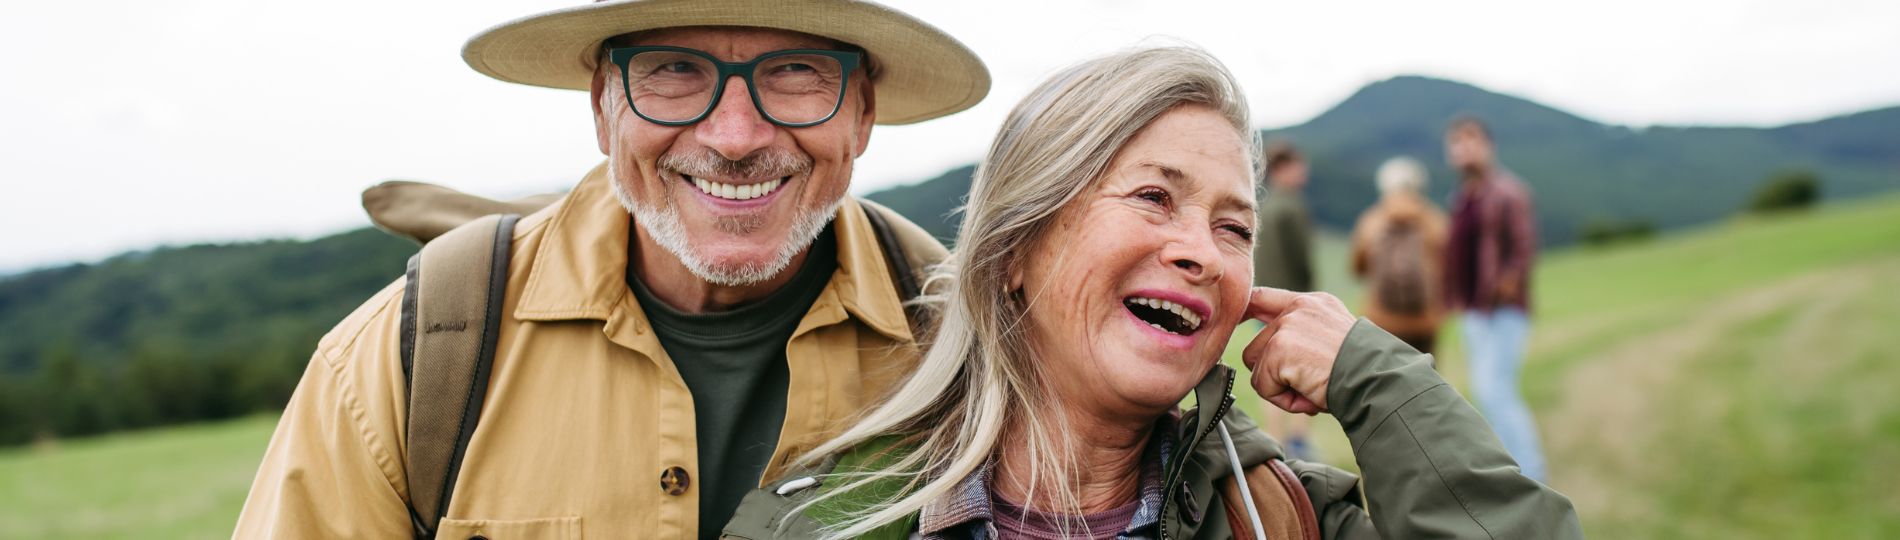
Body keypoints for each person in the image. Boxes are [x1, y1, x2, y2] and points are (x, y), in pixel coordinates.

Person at [722, 46, 1581, 540]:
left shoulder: (1279, 519)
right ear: (1016, 243)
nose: (1202, 252)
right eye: (1152, 197)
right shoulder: (815, 524)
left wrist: (1376, 380)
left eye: (1234, 227)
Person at [233, 1, 990, 538]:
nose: (734, 136)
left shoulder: (976, 354)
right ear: (603, 107)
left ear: (862, 112)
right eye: (673, 70)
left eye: (795, 71)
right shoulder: (408, 358)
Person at [1443, 115, 1547, 482]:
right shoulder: (1461, 198)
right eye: (1457, 142)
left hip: (1502, 310)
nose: (1464, 148)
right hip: (1474, 309)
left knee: (1496, 389)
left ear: (1489, 146)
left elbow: (1524, 245)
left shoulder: (1509, 191)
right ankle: (1509, 469)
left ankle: (1531, 475)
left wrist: (1508, 281)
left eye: (1472, 140)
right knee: (1487, 393)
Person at [1251, 139, 1317, 460]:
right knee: (1301, 373)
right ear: (1283, 169)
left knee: (1269, 372)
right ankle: (1299, 441)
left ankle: (1273, 440)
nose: (1304, 172)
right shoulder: (1292, 207)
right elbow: (1303, 261)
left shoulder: (1261, 207)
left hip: (1264, 301)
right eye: (1298, 165)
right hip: (1292, 301)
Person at [1350, 156, 1449, 354]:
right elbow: (1450, 266)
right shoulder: (1434, 220)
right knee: (1426, 380)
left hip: (1381, 319)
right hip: (1425, 320)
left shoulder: (1371, 220)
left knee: (1384, 380)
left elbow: (1358, 268)